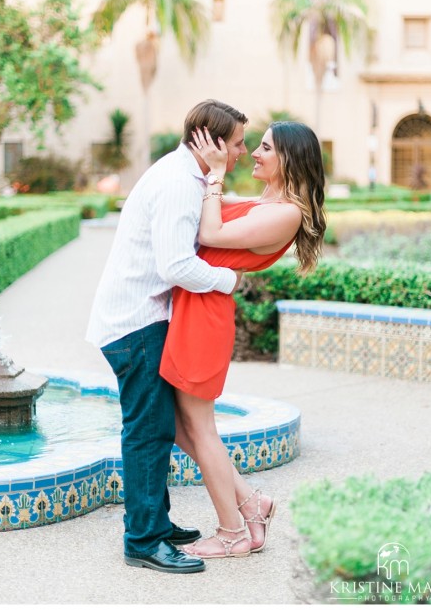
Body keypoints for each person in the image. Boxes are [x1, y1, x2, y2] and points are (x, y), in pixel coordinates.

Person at [86, 100, 248, 574]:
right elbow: (175, 265)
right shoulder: (180, 182)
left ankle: (155, 521)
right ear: (211, 141)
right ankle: (143, 540)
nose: (240, 151)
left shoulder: (182, 173)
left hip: (137, 317)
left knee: (155, 426)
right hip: (135, 321)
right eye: (236, 142)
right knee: (149, 431)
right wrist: (228, 282)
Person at [159, 120, 326, 558]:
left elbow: (209, 233)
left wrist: (216, 173)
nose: (253, 152)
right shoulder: (266, 201)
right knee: (178, 424)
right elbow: (197, 203)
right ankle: (253, 503)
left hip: (206, 314)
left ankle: (233, 532)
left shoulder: (287, 212)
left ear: (288, 158)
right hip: (195, 305)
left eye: (264, 148)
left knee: (199, 426)